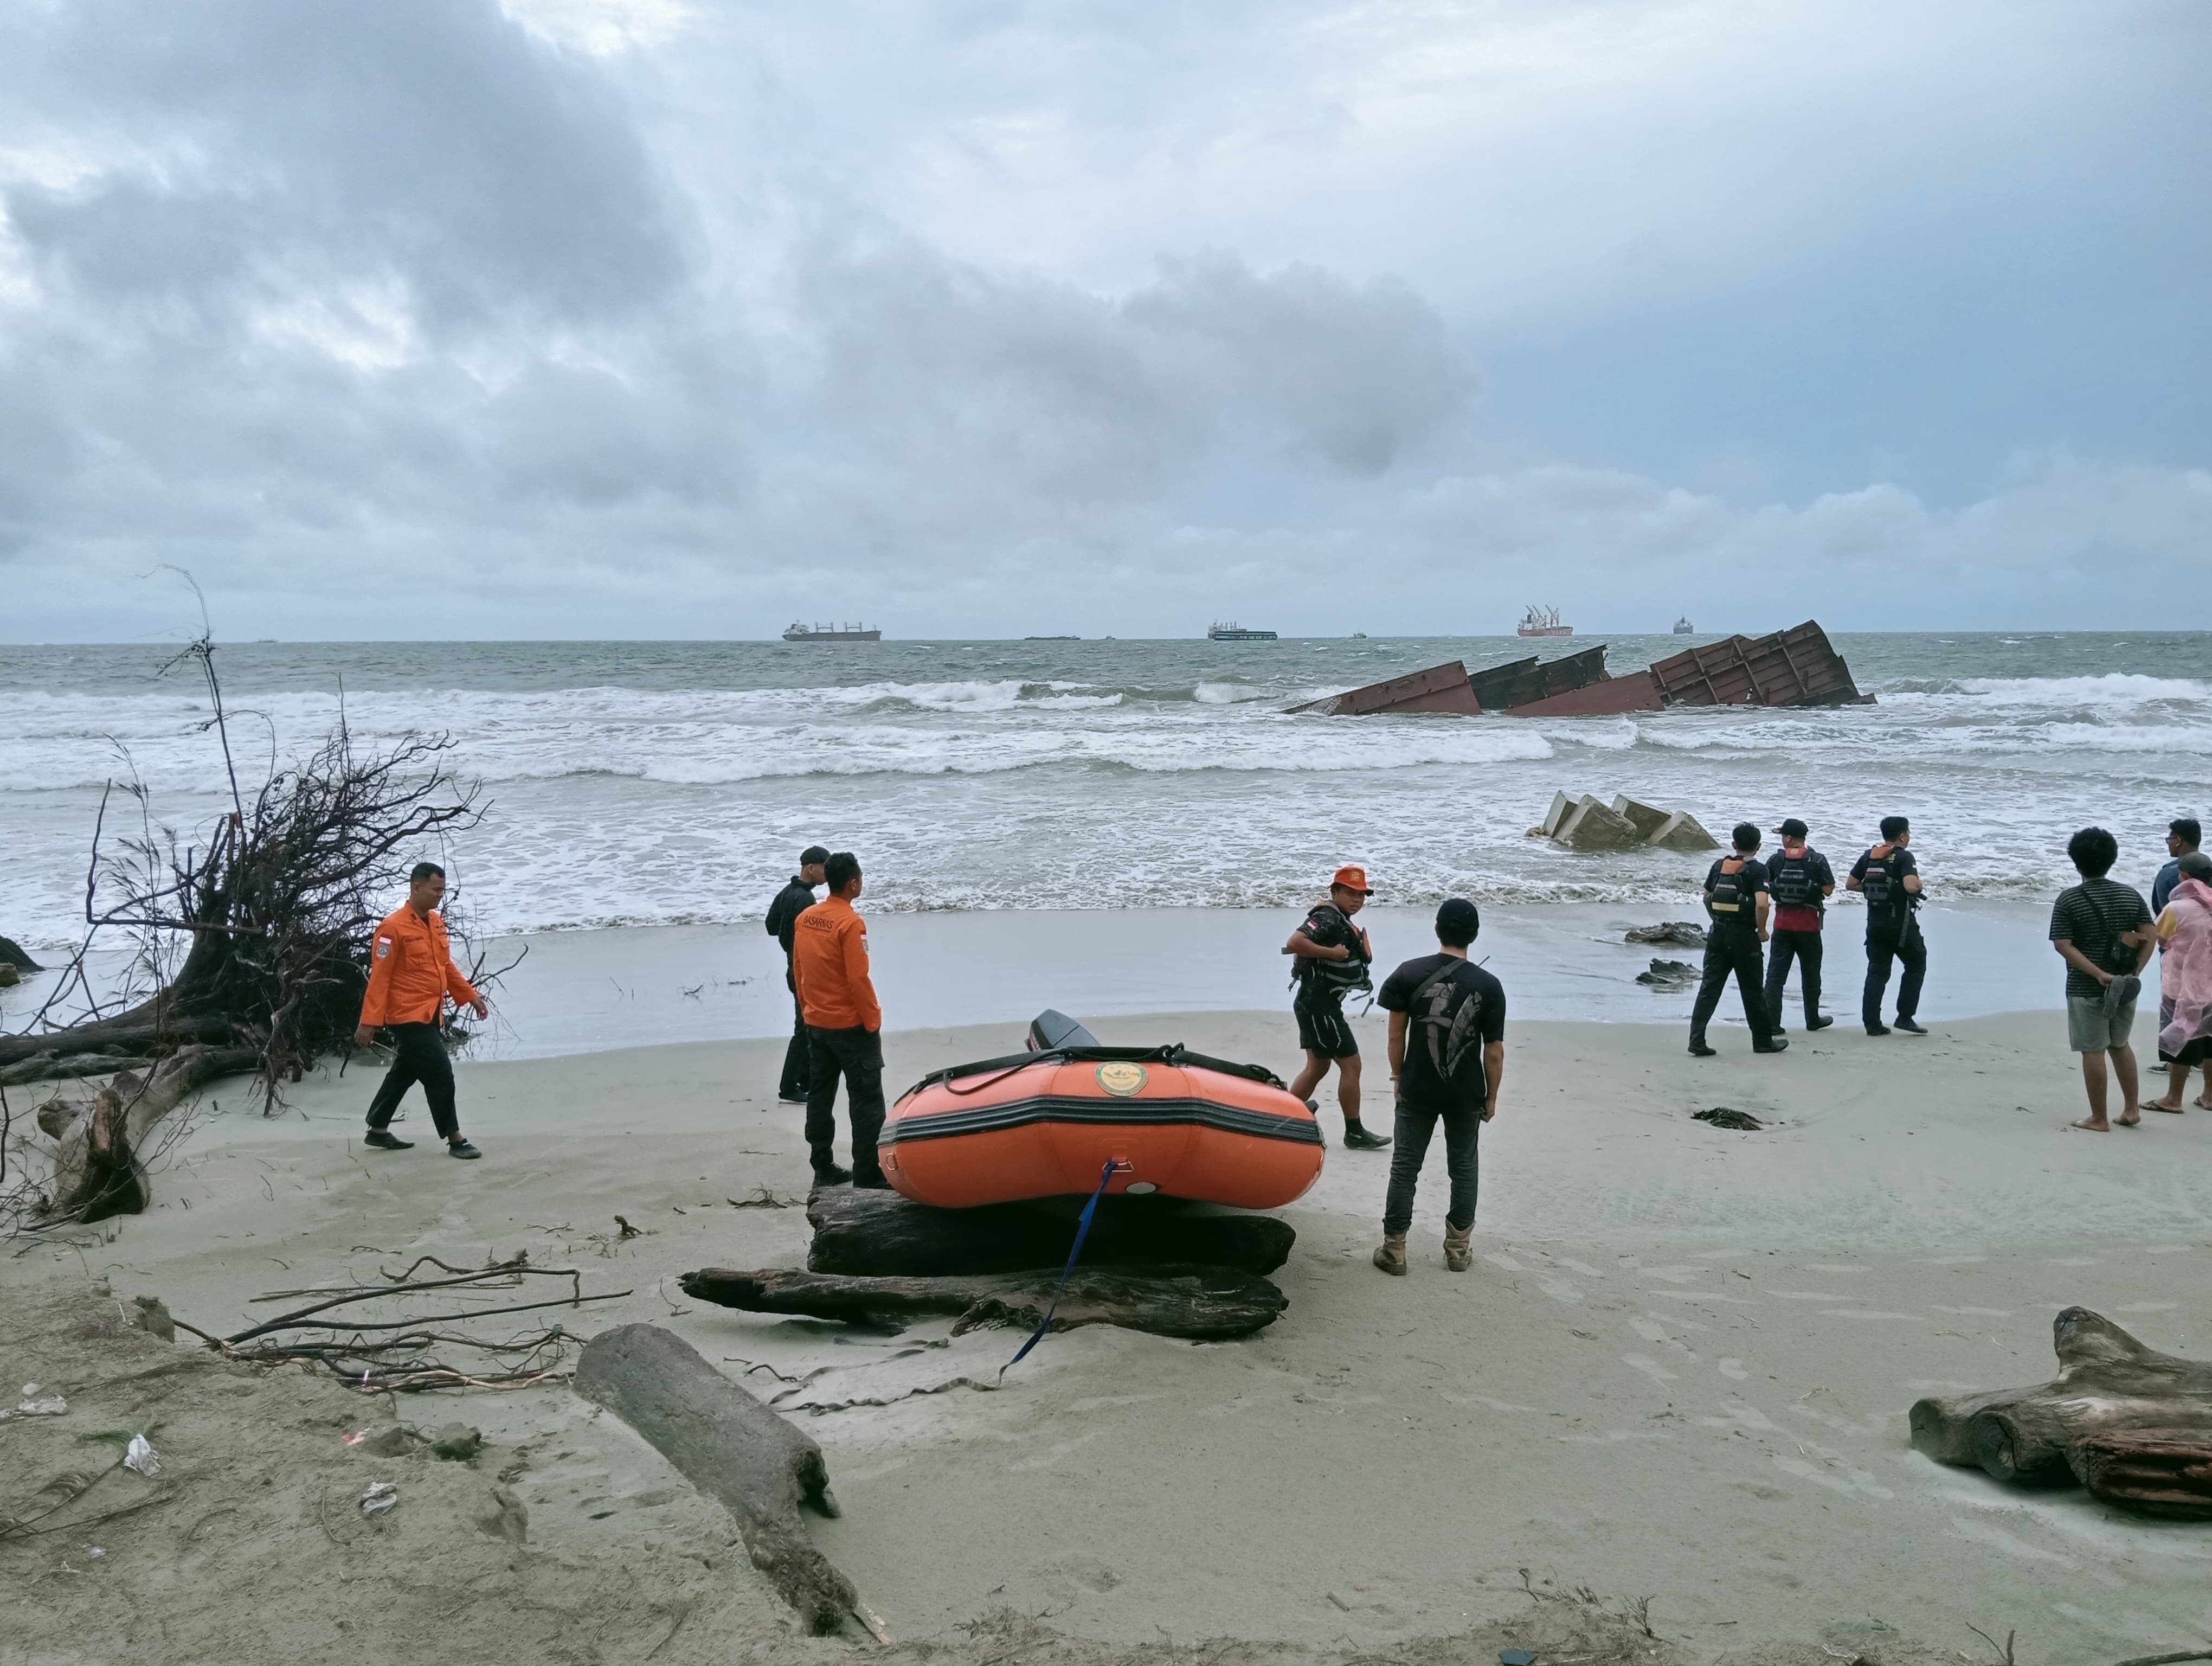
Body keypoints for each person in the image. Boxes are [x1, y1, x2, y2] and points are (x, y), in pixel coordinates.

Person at [1372, 899, 1506, 1276]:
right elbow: (1493, 1052)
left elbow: (1396, 1036)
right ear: (1475, 935)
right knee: (1464, 1168)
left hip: (1418, 1087)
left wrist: (1398, 1077)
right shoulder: (1489, 986)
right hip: (1466, 1092)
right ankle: (1459, 1251)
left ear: (1437, 930)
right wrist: (1491, 1096)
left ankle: (1395, 1250)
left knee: (1405, 1167)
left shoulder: (1408, 973)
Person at [354, 862, 490, 1159]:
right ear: (417, 887)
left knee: (406, 1070)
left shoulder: (437, 923)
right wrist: (369, 1022)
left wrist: (470, 996)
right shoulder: (392, 928)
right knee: (441, 1073)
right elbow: (380, 977)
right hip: (406, 1015)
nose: (440, 895)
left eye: (443, 889)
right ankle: (456, 1140)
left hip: (432, 1012)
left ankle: (377, 1129)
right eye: (436, 889)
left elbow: (445, 967)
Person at [2049, 826, 2155, 1132]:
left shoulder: (2069, 899)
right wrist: (2133, 973)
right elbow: (2150, 936)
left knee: (2092, 1049)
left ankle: (2098, 1118)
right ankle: (2132, 1110)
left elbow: (2063, 944)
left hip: (2086, 986)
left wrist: (2098, 974)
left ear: (2075, 862)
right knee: (2120, 1044)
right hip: (2125, 987)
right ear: (2112, 859)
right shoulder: (2129, 894)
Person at [792, 851, 888, 1187]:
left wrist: (807, 1009)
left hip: (817, 1023)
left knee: (821, 1095)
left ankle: (822, 1165)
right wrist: (872, 1019)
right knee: (867, 1101)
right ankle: (868, 1172)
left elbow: (799, 968)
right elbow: (858, 978)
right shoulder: (851, 923)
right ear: (853, 883)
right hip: (850, 1026)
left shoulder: (806, 917)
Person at [1284, 866, 1391, 1150]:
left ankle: (1284, 1119)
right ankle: (1354, 1132)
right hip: (1320, 1006)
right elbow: (1294, 942)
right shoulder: (1328, 919)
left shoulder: (1337, 918)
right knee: (1351, 1065)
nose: (1357, 900)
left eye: (1362, 895)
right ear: (1334, 892)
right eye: (1350, 893)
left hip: (1315, 1003)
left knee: (1317, 1067)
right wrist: (1332, 953)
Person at [1688, 823, 1786, 1057]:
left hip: (1718, 935)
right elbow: (1762, 904)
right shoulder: (1759, 870)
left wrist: (1717, 920)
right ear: (1759, 847)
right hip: (1744, 938)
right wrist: (1762, 930)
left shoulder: (1720, 865)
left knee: (1709, 988)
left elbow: (1706, 897)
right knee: (1752, 991)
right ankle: (1763, 1042)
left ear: (1734, 844)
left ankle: (1696, 1040)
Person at [2144, 850, 2212, 1115]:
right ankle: (2209, 1096)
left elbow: (2159, 936)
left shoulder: (2176, 908)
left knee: (2183, 1039)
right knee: (2210, 1041)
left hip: (2181, 984)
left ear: (2183, 876)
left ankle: (2173, 1099)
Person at [1848, 815, 1927, 1036]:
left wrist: (1875, 889)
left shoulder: (1869, 856)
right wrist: (1918, 883)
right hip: (1901, 927)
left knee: (1877, 973)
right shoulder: (1904, 857)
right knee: (1916, 963)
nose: (1909, 837)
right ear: (1902, 835)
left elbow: (1851, 884)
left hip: (1874, 925)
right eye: (1908, 833)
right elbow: (1912, 887)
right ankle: (1905, 1017)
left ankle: (1872, 1023)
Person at [766, 846, 830, 1103]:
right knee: (804, 1027)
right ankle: (789, 1086)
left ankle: (805, 1079)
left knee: (807, 1024)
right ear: (811, 868)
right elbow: (810, 938)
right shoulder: (805, 900)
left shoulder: (786, 892)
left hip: (791, 965)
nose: (827, 873)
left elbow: (771, 926)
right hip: (801, 968)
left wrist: (787, 938)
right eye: (825, 867)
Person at [1762, 817, 1836, 1034]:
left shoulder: (1775, 860)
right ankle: (1812, 1019)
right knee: (1811, 975)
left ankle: (1773, 1024)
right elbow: (1829, 890)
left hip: (1782, 925)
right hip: (1809, 927)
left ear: (1788, 838)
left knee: (1776, 976)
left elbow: (1764, 888)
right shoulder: (1817, 859)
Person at [2149, 818, 2201, 1077]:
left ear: (2178, 840)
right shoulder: (2208, 869)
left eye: (2170, 838)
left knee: (2175, 1006)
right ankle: (2202, 1059)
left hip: (2178, 955)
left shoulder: (2171, 873)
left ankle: (2175, 1061)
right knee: (2203, 1006)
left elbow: (2163, 919)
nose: (2169, 843)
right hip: (2208, 954)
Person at [2151, 818, 2201, 917]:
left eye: (2169, 840)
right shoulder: (2208, 867)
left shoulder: (2168, 874)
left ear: (2178, 841)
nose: (2168, 844)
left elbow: (2165, 915)